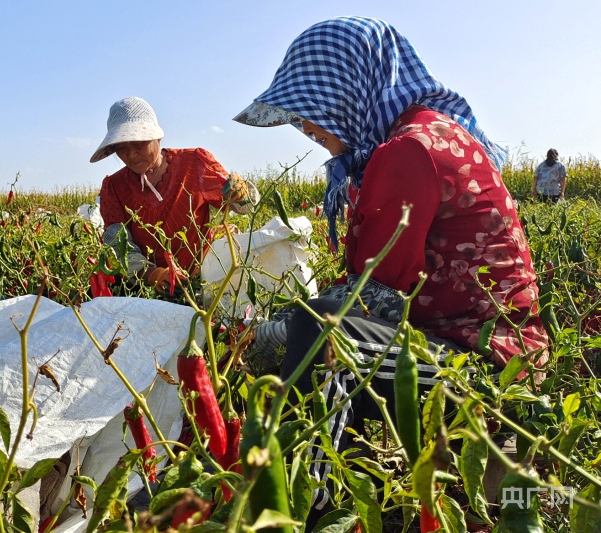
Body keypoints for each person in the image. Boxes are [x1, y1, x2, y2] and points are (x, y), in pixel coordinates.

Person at [233, 16, 549, 520]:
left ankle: (304, 510)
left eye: (312, 109)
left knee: (321, 330)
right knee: (325, 328)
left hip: (484, 363)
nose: (306, 128)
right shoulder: (420, 135)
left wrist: (268, 337)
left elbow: (374, 299)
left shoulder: (409, 150)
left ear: (353, 86)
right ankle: (339, 490)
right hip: (482, 347)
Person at [92, 97, 258, 293]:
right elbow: (117, 243)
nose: (132, 155)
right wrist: (150, 273)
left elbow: (244, 208)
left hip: (203, 276)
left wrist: (241, 193)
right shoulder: (114, 186)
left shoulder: (193, 163)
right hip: (148, 284)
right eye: (122, 149)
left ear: (157, 138)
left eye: (139, 144)